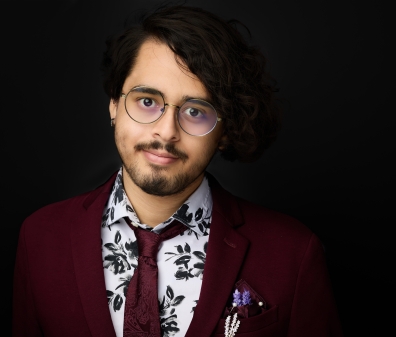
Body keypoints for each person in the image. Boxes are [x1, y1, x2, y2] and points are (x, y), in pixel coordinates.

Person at [12, 4, 343, 337]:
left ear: (225, 131)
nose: (166, 132)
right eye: (147, 101)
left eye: (196, 111)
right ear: (114, 104)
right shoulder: (39, 237)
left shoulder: (294, 254)